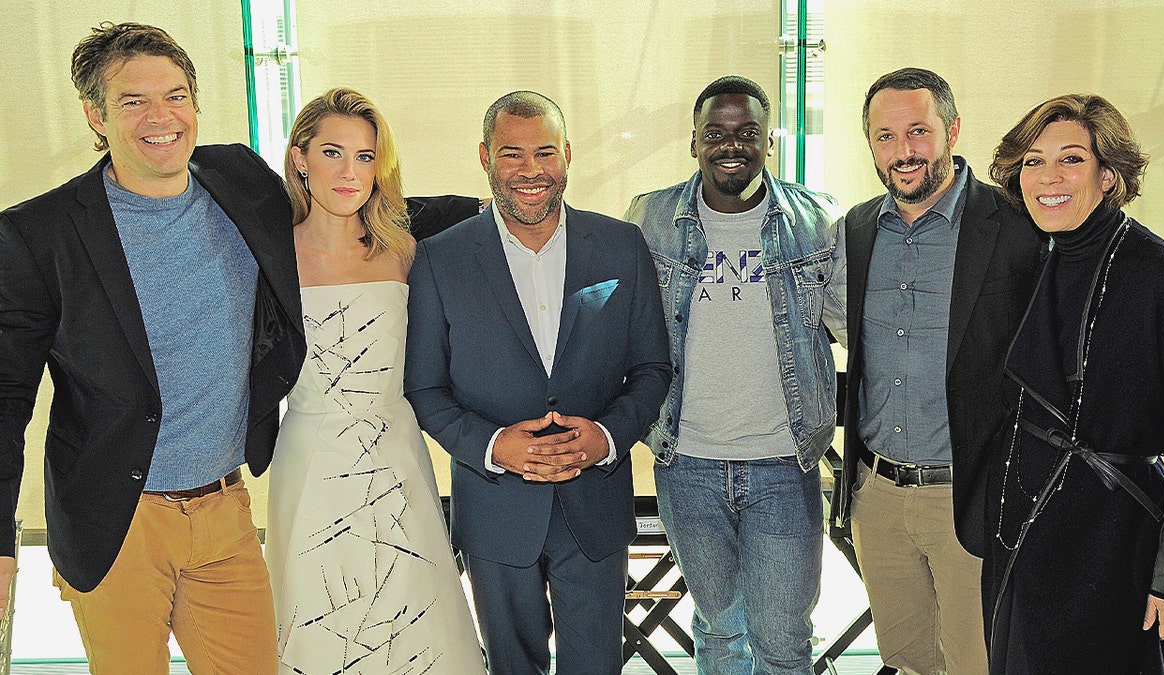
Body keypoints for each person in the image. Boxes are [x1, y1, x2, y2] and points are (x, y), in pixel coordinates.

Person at [0, 22, 304, 672]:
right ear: (95, 115)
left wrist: (476, 212)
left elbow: (336, 217)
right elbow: (5, 399)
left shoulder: (241, 181)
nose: (160, 117)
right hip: (117, 521)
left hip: (225, 509)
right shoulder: (40, 234)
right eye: (133, 101)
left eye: (175, 95)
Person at [404, 90, 672, 674]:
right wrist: (496, 447)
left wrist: (606, 436)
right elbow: (425, 389)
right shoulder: (439, 259)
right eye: (511, 154)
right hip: (495, 508)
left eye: (545, 153)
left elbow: (653, 368)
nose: (530, 171)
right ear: (484, 157)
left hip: (594, 505)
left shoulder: (620, 246)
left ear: (568, 155)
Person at [623, 75, 846, 674]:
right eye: (715, 132)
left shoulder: (816, 222)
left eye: (747, 132)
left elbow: (858, 330)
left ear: (768, 141)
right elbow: (618, 325)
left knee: (782, 639)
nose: (732, 144)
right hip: (686, 460)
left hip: (784, 462)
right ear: (693, 141)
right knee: (721, 628)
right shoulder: (651, 219)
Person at [828, 67, 1044, 674]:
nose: (903, 152)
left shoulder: (1017, 227)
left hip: (971, 495)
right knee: (910, 659)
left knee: (978, 664)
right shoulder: (858, 228)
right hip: (877, 496)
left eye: (917, 132)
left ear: (952, 129)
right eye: (885, 136)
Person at [264, 88, 485, 675]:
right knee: (317, 624)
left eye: (365, 157)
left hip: (398, 461)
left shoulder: (409, 252)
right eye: (332, 152)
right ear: (299, 159)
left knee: (414, 622)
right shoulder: (266, 258)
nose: (349, 172)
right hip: (308, 462)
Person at [983, 93, 1164, 674]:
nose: (1048, 177)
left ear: (1109, 175)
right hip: (1024, 536)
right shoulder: (1031, 262)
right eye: (1032, 161)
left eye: (1070, 159)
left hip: (1115, 549)